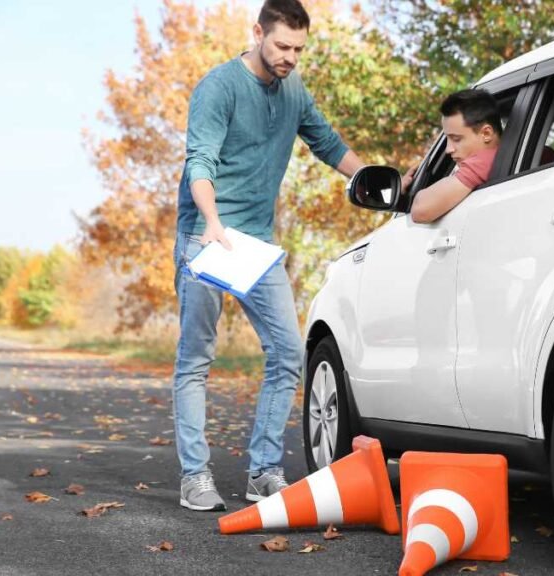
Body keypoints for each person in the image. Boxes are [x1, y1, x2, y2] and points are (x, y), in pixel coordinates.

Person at [171, 0, 368, 511]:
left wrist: (371, 180)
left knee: (287, 351)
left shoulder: (293, 88)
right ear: (258, 32)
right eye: (282, 46)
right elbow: (201, 162)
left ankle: (263, 471)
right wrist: (212, 224)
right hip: (208, 237)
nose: (290, 58)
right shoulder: (219, 87)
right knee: (196, 359)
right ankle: (195, 476)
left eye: (298, 49)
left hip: (256, 243)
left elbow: (326, 142)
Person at [409, 89, 502, 223]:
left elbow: (420, 210)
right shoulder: (509, 154)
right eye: (447, 139)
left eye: (456, 139)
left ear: (486, 134)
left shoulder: (484, 161)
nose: (448, 149)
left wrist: (413, 191)